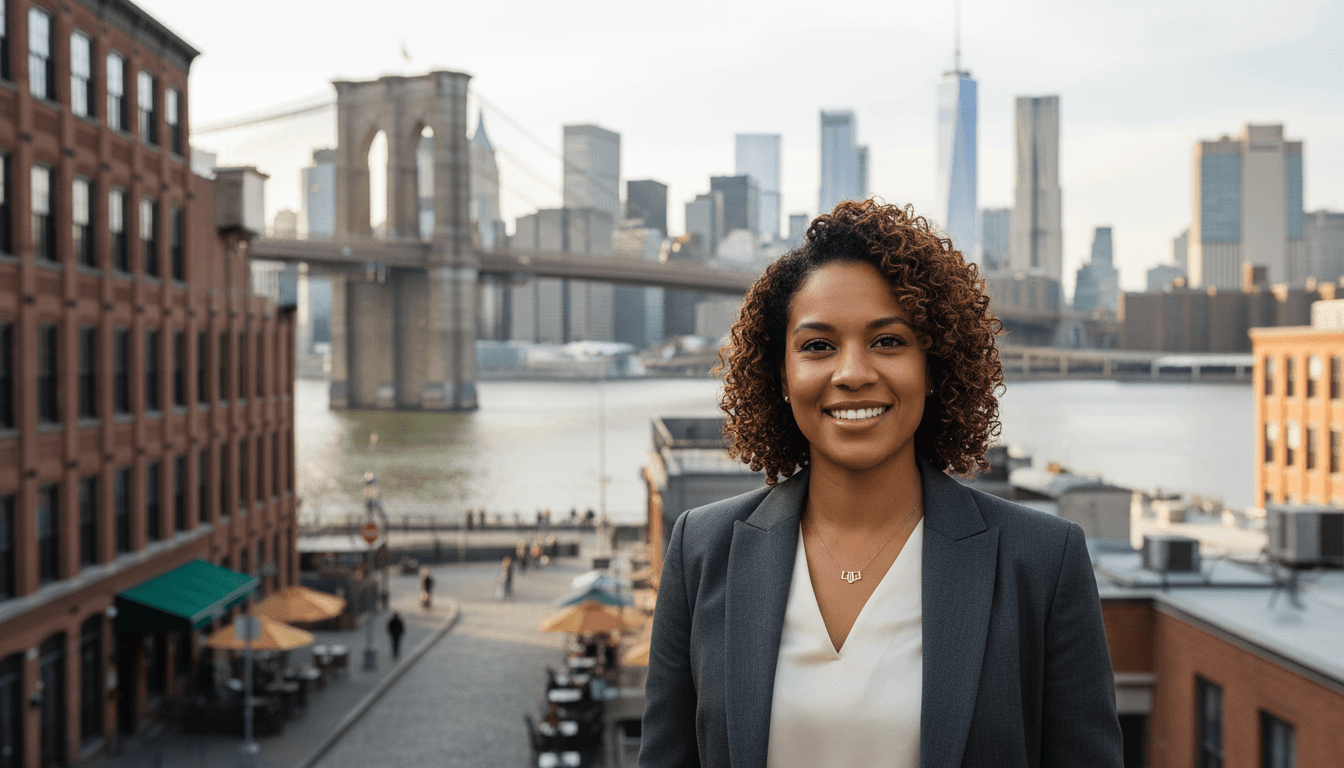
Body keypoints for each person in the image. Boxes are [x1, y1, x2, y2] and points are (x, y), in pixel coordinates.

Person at [640, 200, 1123, 768]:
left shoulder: (1042, 562)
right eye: (818, 345)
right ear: (781, 373)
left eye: (888, 341)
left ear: (935, 364)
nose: (852, 373)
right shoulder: (702, 550)